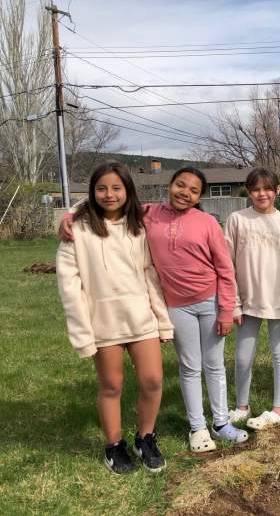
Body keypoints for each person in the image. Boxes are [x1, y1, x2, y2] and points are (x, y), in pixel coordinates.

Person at [60, 167, 249, 453]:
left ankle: (221, 423)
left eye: (193, 190)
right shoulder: (148, 214)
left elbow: (225, 268)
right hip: (177, 306)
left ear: (201, 196)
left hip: (209, 301)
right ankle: (197, 427)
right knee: (189, 365)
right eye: (179, 184)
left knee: (213, 364)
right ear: (169, 185)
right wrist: (71, 214)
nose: (184, 192)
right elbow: (110, 198)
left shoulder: (207, 222)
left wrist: (226, 309)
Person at [56, 161, 173, 474]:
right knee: (111, 385)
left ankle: (145, 438)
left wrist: (162, 320)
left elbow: (151, 276)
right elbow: (70, 288)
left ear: (128, 191)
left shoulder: (140, 225)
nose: (109, 194)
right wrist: (82, 332)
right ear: (92, 192)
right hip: (103, 323)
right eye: (101, 188)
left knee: (152, 380)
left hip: (141, 319)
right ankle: (114, 445)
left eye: (116, 188)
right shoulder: (77, 230)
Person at [224, 168, 280, 430]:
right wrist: (233, 303)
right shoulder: (237, 220)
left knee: (279, 354)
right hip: (246, 303)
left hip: (279, 302)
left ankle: (278, 409)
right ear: (248, 192)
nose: (262, 194)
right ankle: (241, 406)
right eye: (256, 189)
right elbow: (227, 263)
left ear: (278, 190)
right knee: (242, 358)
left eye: (267, 188)